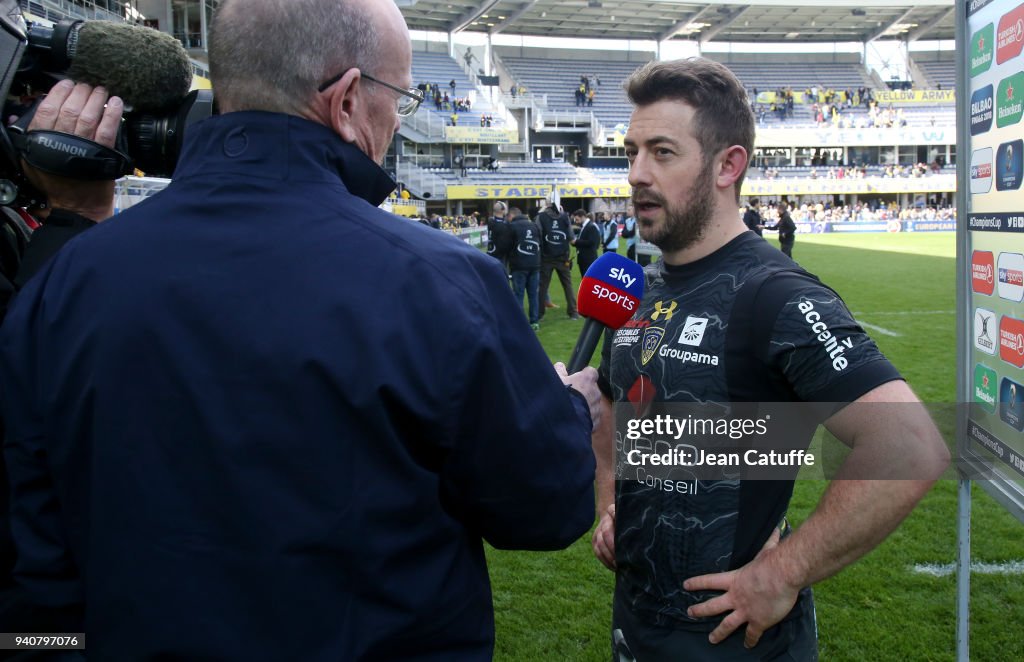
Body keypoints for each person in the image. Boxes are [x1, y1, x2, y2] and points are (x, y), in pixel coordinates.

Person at [0, 0, 604, 658]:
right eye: (398, 97)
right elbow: (544, 509)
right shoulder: (442, 285)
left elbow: (33, 580)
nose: (398, 119)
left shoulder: (62, 284)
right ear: (346, 100)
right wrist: (573, 408)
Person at [590, 57, 948, 661]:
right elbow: (612, 408)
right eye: (631, 151)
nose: (636, 173)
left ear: (729, 165)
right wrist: (611, 503)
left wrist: (782, 572)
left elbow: (910, 446)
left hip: (736, 641)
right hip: (635, 625)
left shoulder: (776, 294)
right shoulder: (640, 287)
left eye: (662, 152)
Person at [536, 197, 578, 321]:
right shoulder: (564, 217)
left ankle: (539, 313)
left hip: (546, 257)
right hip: (562, 256)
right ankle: (573, 312)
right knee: (567, 285)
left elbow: (537, 234)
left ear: (547, 204)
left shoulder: (541, 217)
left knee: (543, 286)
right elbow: (571, 238)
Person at [507, 206, 542, 330]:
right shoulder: (534, 225)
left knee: (518, 294)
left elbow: (508, 246)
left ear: (511, 216)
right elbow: (540, 243)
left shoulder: (512, 227)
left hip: (519, 266)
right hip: (535, 265)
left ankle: (519, 323)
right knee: (533, 295)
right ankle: (534, 322)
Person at [573, 208, 600, 277]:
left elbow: (591, 242)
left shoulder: (591, 226)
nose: (576, 222)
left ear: (582, 217)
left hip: (588, 259)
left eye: (577, 219)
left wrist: (576, 242)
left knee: (589, 281)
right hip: (583, 259)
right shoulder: (584, 226)